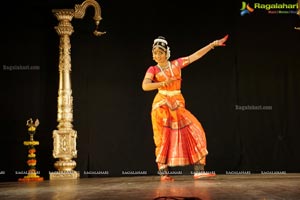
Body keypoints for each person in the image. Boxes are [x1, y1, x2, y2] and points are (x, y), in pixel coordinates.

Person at [142, 34, 229, 181]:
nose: (157, 55)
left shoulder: (177, 64)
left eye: (160, 52)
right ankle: (164, 173)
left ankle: (199, 170)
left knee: (195, 130)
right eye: (155, 53)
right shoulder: (153, 70)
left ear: (166, 53)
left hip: (177, 104)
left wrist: (212, 45)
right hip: (161, 106)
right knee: (162, 138)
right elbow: (145, 86)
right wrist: (162, 84)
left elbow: (195, 56)